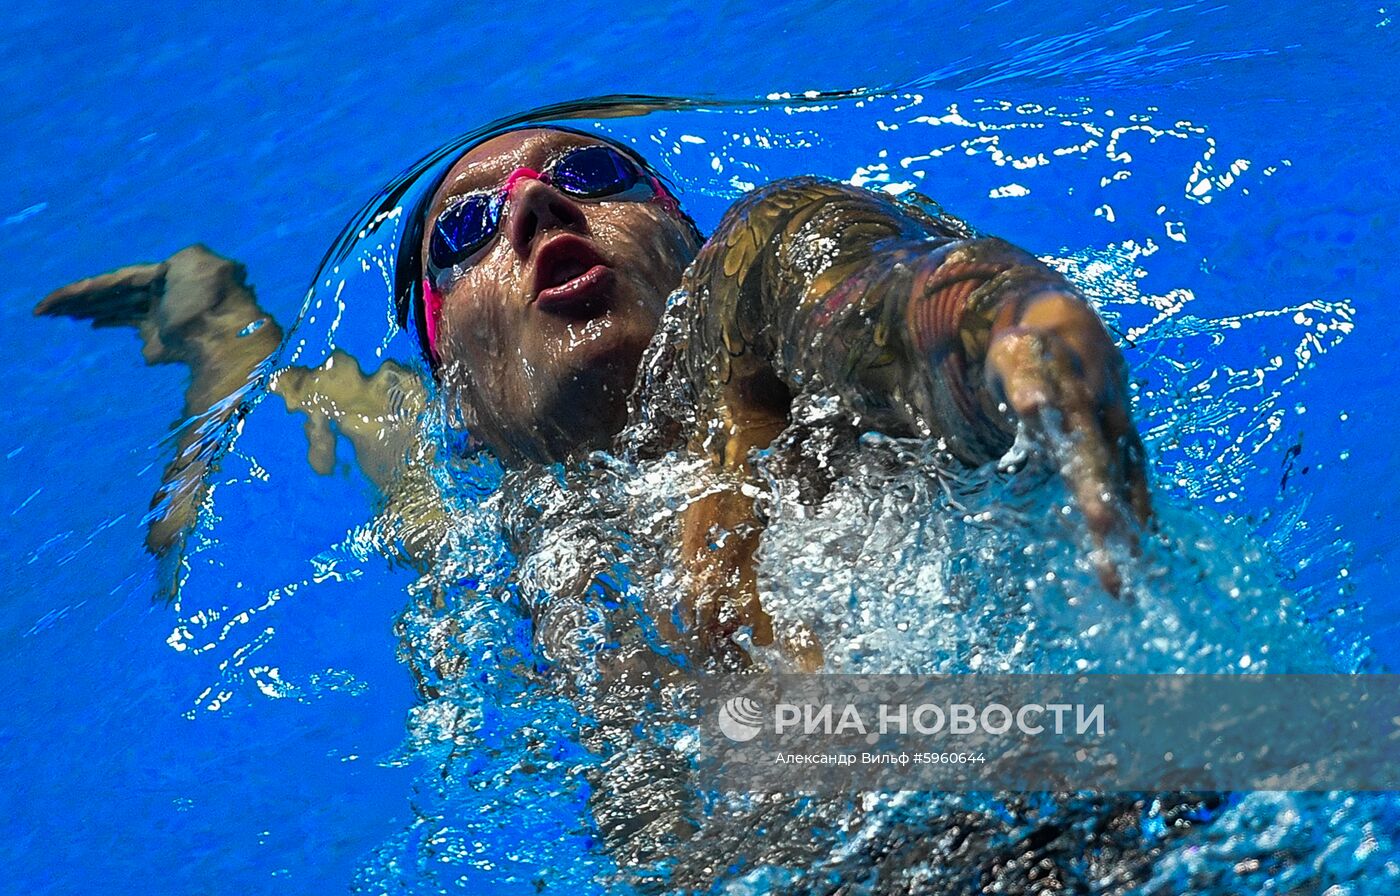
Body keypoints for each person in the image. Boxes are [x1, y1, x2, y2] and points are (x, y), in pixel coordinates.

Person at [35, 124, 1148, 665]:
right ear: (455, 385)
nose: (534, 210)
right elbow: (358, 426)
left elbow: (870, 290)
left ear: (685, 239)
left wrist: (1016, 340)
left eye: (591, 178)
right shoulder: (491, 523)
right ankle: (209, 310)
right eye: (467, 231)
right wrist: (222, 339)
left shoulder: (754, 285)